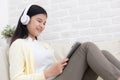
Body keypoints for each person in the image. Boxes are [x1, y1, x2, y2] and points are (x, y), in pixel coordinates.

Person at [9, 4, 120, 80]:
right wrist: (47, 74)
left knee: (103, 53)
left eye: (44, 23)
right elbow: (16, 78)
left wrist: (62, 64)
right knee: (87, 47)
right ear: (26, 19)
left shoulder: (43, 45)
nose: (42, 26)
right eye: (39, 21)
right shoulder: (18, 45)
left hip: (62, 76)